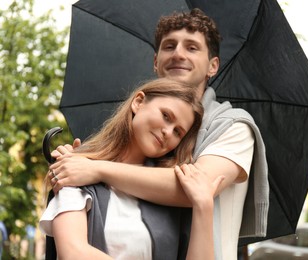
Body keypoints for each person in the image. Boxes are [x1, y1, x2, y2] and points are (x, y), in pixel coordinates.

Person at [48, 8, 269, 260]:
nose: (178, 54)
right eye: (169, 46)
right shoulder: (143, 146)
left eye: (192, 48)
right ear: (155, 62)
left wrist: (95, 168)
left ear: (213, 65)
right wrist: (80, 162)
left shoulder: (233, 126)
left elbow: (194, 190)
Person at [40, 78, 224, 259]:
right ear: (138, 102)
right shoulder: (76, 170)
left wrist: (203, 206)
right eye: (166, 116)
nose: (168, 132)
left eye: (178, 132)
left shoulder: (174, 194)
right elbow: (73, 253)